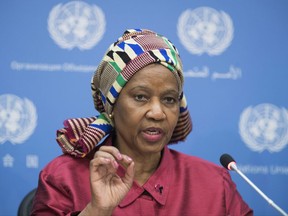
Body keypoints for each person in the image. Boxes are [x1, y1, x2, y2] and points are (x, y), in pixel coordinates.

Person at [31, 28, 253, 216]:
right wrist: (96, 211)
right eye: (140, 97)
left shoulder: (214, 184)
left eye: (168, 99)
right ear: (112, 106)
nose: (157, 113)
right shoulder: (63, 178)